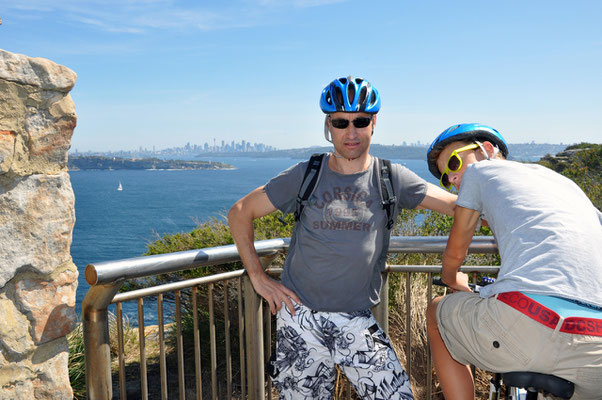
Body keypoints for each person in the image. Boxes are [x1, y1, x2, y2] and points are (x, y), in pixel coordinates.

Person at [228, 76, 457, 399]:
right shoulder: (307, 174)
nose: (351, 132)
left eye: (360, 121)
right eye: (341, 122)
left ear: (374, 122)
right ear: (329, 125)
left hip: (357, 321)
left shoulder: (390, 177)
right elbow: (240, 212)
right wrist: (257, 277)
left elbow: (456, 207)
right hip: (299, 319)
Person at [424, 123, 602, 400]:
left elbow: (456, 252)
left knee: (436, 312)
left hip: (531, 321)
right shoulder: (569, 186)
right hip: (596, 342)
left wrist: (450, 279)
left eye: (455, 163)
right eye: (446, 179)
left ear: (486, 150)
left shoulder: (480, 171)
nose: (455, 178)